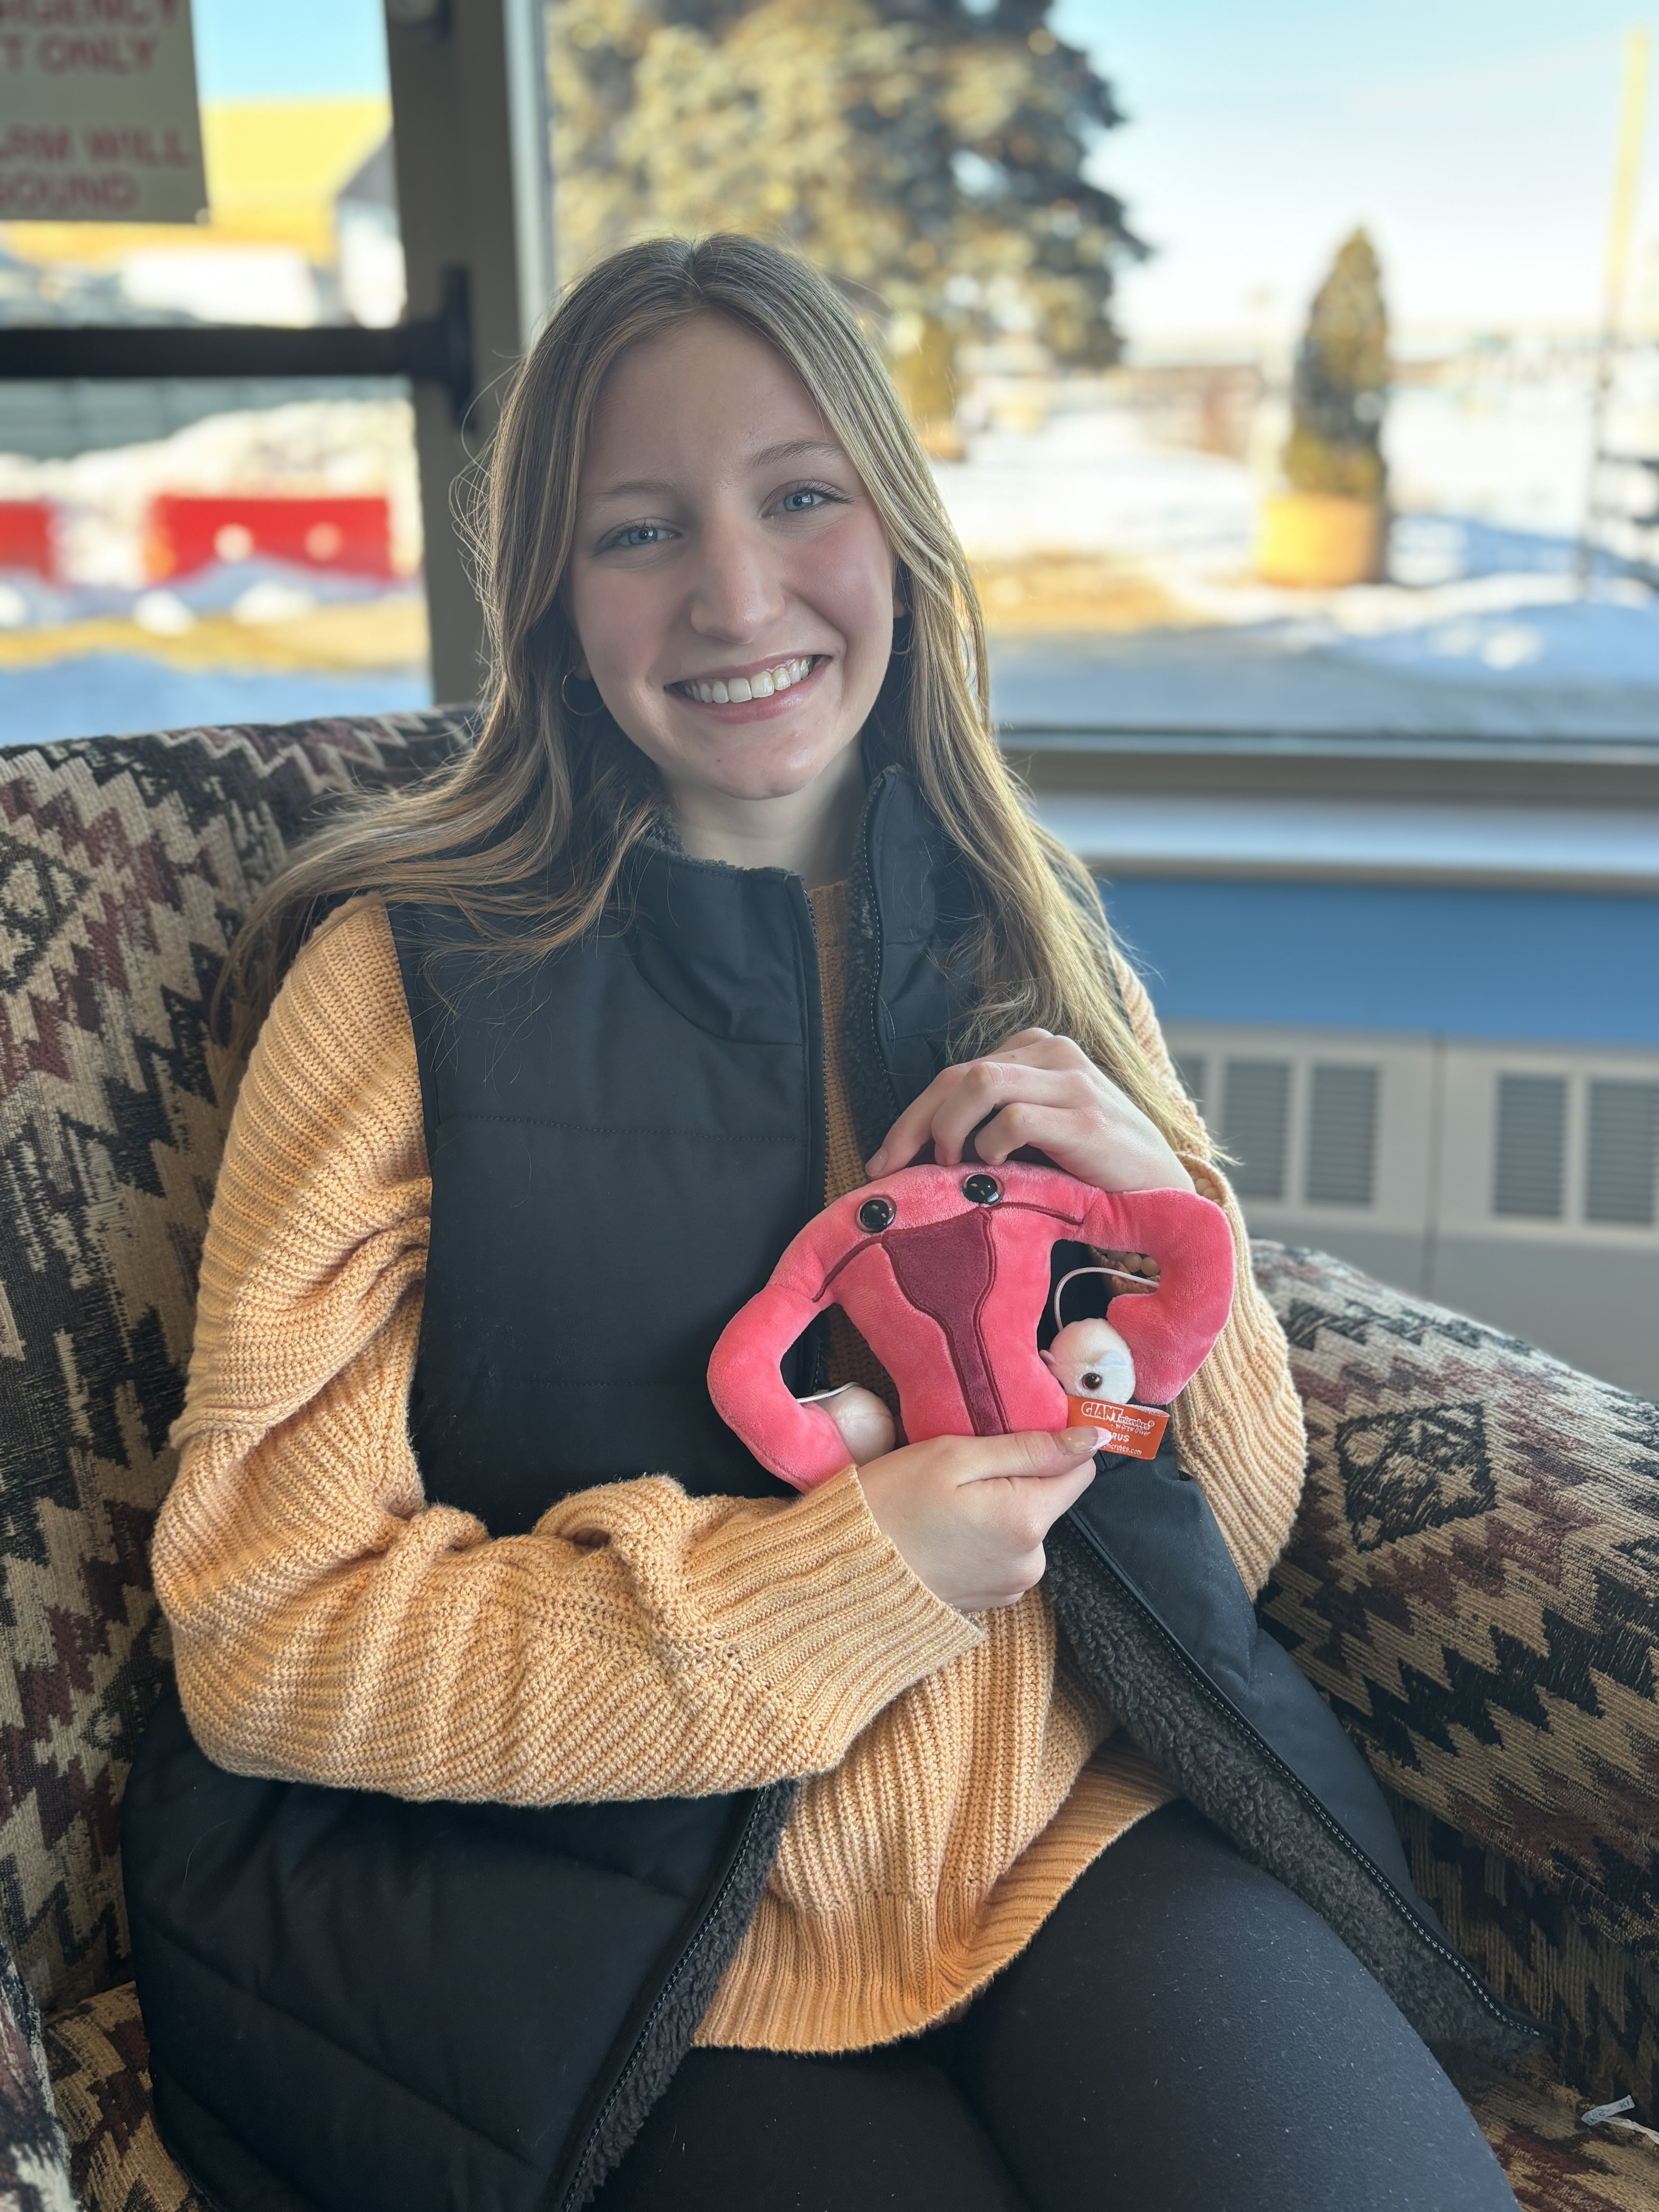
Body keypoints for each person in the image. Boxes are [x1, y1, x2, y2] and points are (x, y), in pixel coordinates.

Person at [122, 234, 1525, 2212]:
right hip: (612, 1939)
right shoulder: (399, 987)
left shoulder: (1027, 921)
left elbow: (1222, 1533)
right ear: (552, 604)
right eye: (638, 531)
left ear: (903, 535)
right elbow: (267, 1637)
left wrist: (1170, 1217)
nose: (737, 594)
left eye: (801, 497)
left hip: (1076, 1840)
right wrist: (837, 1583)